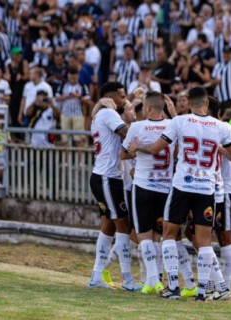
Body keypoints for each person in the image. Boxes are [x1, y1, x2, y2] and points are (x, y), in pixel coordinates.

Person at [129, 86, 231, 301]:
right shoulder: (221, 128)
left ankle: (173, 287)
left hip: (182, 187)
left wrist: (137, 149)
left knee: (169, 234)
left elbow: (155, 149)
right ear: (207, 103)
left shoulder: (179, 122)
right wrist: (218, 149)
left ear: (189, 103)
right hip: (207, 189)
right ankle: (202, 291)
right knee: (204, 240)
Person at [88, 82, 142, 292]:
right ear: (110, 97)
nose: (124, 100)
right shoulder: (108, 114)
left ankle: (96, 276)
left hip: (104, 176)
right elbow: (125, 133)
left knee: (109, 226)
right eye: (121, 96)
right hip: (108, 178)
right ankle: (127, 279)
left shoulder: (99, 115)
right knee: (123, 225)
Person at [120, 92, 176, 295]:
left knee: (143, 235)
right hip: (166, 186)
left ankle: (152, 280)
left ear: (149, 108)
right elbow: (177, 154)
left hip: (143, 186)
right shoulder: (173, 126)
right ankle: (157, 279)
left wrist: (135, 150)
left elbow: (123, 154)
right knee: (159, 235)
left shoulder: (137, 127)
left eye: (143, 106)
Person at [55, 67, 90, 147]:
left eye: (74, 76)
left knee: (79, 139)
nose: (73, 78)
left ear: (78, 76)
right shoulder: (63, 86)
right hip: (65, 114)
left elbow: (88, 101)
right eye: (71, 76)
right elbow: (57, 98)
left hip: (78, 114)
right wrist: (66, 97)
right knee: (65, 140)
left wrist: (78, 97)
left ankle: (80, 159)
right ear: (68, 76)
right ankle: (66, 159)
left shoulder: (83, 87)